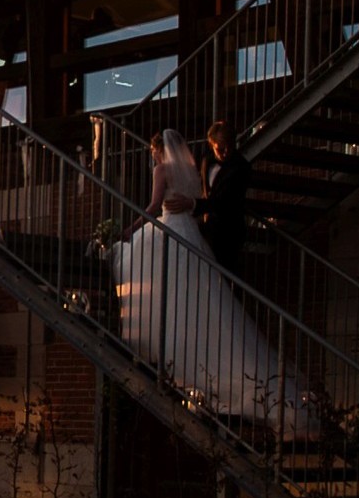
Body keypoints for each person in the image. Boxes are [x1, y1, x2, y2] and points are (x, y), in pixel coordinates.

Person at [117, 131, 316, 436]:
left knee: (147, 270)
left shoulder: (162, 169)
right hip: (192, 234)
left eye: (153, 152)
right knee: (197, 298)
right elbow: (197, 202)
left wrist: (130, 227)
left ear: (157, 151)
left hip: (173, 228)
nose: (153, 157)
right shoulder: (191, 169)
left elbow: (156, 205)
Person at [199, 120, 252, 275]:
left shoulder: (241, 167)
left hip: (229, 230)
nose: (226, 152)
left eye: (230, 146)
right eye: (220, 148)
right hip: (209, 226)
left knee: (226, 275)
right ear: (212, 144)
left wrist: (194, 205)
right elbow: (205, 190)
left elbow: (224, 201)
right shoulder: (207, 161)